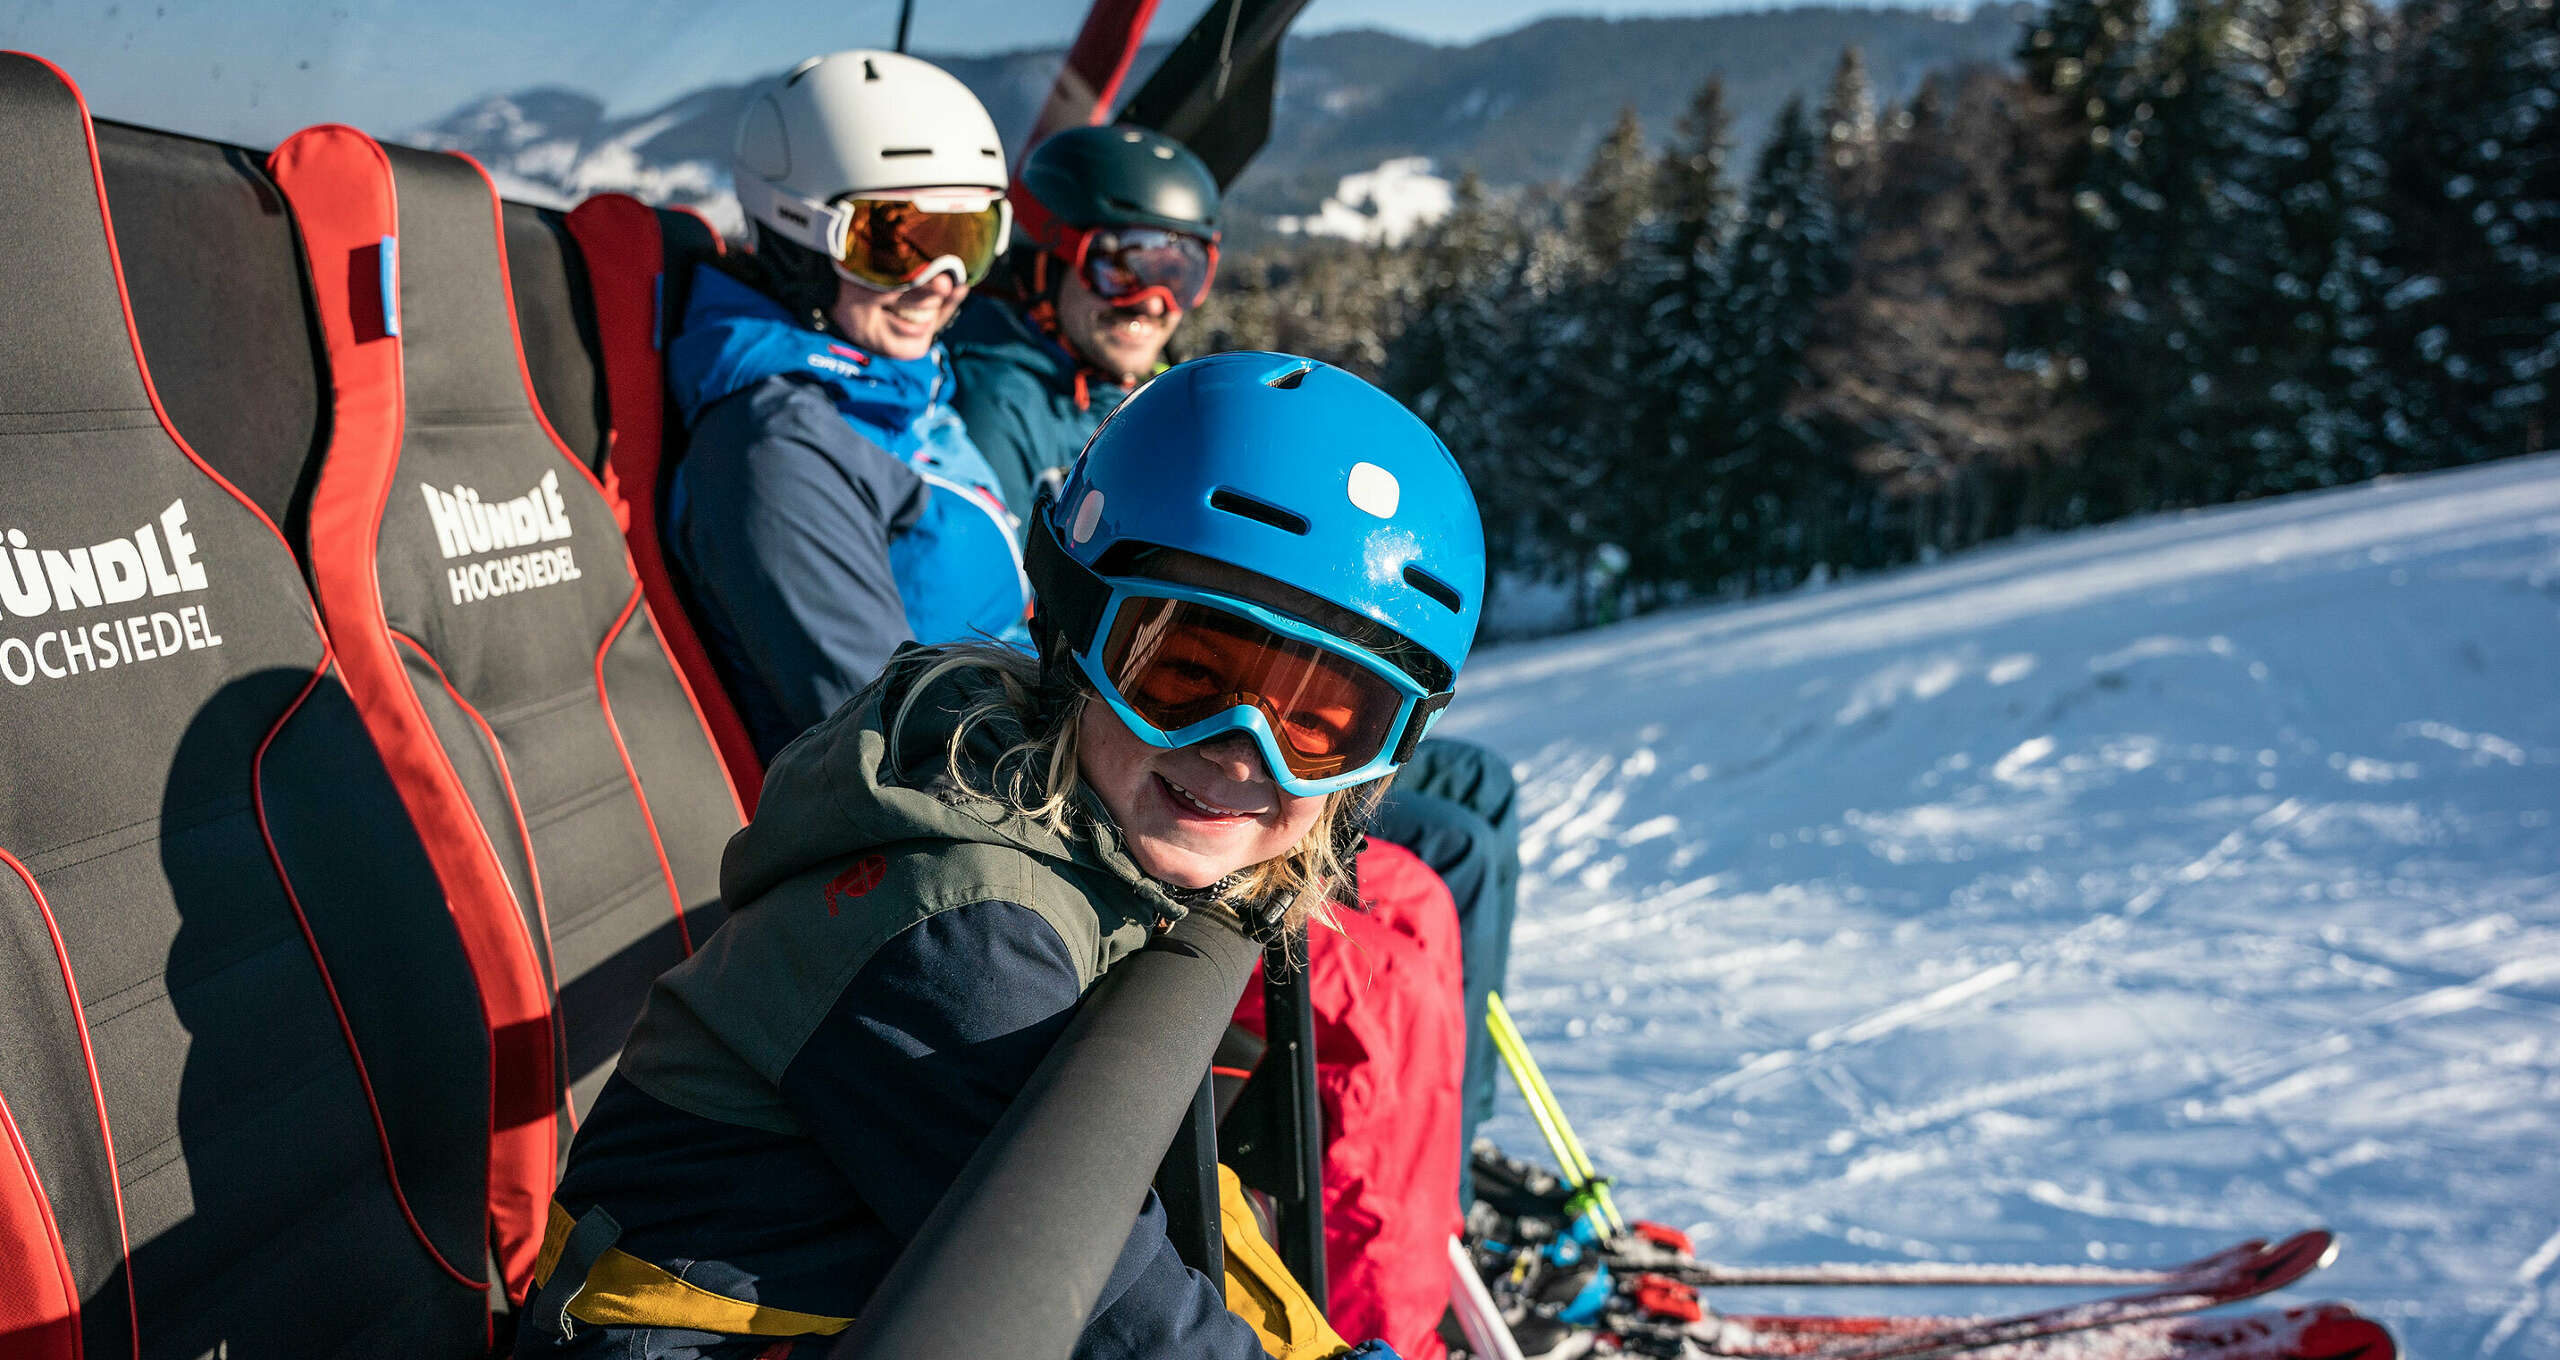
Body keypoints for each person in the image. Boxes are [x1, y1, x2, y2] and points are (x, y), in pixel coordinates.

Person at [513, 352, 1483, 1360]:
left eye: (1324, 722)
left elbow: (1153, 1192)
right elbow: (1105, 1292)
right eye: (1184, 672)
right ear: (1071, 630)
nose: (1240, 753)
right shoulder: (958, 934)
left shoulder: (1087, 839)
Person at [948, 122, 1523, 1200]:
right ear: (1051, 256)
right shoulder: (1010, 403)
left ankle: (1445, 1150)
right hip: (1103, 727)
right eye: (1128, 262)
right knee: (1432, 868)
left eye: (1183, 268)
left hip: (1150, 717)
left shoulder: (1136, 390)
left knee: (1479, 797)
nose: (1155, 297)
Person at [665, 50, 1032, 762]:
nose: (942, 284)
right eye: (896, 245)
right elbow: (893, 742)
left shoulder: (895, 383)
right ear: (798, 234)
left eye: (967, 241)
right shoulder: (778, 450)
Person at [946, 123, 1222, 523]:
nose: (1151, 305)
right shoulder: (994, 407)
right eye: (1119, 270)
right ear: (1045, 264)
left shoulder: (1164, 398)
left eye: (1180, 276)